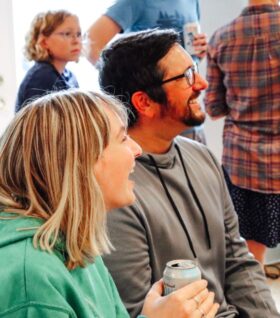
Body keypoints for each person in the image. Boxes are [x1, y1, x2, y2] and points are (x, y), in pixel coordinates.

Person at [97, 29, 280, 318]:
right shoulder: (115, 189)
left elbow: (238, 261)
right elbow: (134, 310)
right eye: (186, 76)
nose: (202, 83)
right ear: (144, 102)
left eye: (195, 69)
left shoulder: (202, 156)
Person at [0, 89, 219, 317]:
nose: (137, 150)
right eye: (123, 138)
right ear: (82, 162)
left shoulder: (75, 245)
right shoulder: (32, 283)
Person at [204, 0, 280, 265]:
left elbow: (213, 107)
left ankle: (257, 306)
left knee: (250, 257)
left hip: (245, 166)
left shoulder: (222, 37)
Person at [86, 0, 207, 143]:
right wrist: (130, 80)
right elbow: (91, 43)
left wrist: (197, 53)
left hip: (186, 116)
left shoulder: (192, 2)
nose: (204, 84)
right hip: (152, 119)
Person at [15, 10, 81, 112]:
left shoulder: (70, 76)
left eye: (78, 34)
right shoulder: (42, 77)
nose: (76, 40)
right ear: (44, 42)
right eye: (67, 34)